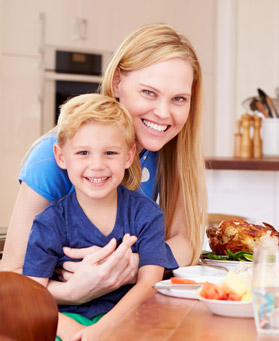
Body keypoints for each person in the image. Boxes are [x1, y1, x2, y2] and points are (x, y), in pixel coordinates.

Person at [0, 23, 206, 305]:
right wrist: (71, 292)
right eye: (149, 92)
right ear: (118, 82)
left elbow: (185, 241)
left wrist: (133, 266)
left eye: (179, 99)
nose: (163, 113)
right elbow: (11, 276)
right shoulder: (52, 158)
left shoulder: (168, 151)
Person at [23, 94, 178, 340]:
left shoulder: (147, 215)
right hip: (64, 324)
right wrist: (78, 333)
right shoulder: (49, 222)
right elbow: (32, 294)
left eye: (110, 153)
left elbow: (148, 284)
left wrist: (102, 331)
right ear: (61, 156)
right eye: (83, 153)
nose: (97, 165)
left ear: (129, 156)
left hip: (129, 319)